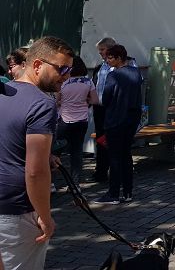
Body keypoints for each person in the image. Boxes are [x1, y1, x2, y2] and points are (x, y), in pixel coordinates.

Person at [0, 36, 73, 270]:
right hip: (17, 211)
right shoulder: (42, 104)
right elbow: (35, 171)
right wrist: (45, 216)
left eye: (70, 70)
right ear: (38, 65)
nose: (66, 76)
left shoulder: (4, 92)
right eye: (62, 68)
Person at [96, 44, 143, 205]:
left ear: (118, 58)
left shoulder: (113, 75)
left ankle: (114, 193)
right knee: (126, 155)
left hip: (116, 119)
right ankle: (128, 191)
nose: (107, 61)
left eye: (110, 57)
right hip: (132, 119)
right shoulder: (136, 73)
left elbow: (106, 98)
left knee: (115, 157)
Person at [56, 56, 98, 183]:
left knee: (56, 150)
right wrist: (85, 101)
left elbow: (57, 101)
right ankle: (75, 182)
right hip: (81, 121)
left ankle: (50, 182)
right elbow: (95, 100)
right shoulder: (88, 82)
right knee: (77, 151)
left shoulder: (63, 82)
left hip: (64, 120)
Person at [91, 37, 117, 182]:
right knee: (101, 140)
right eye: (99, 50)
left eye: (102, 49)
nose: (100, 52)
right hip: (99, 109)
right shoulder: (99, 67)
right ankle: (100, 170)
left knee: (112, 140)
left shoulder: (119, 67)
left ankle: (114, 171)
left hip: (112, 109)